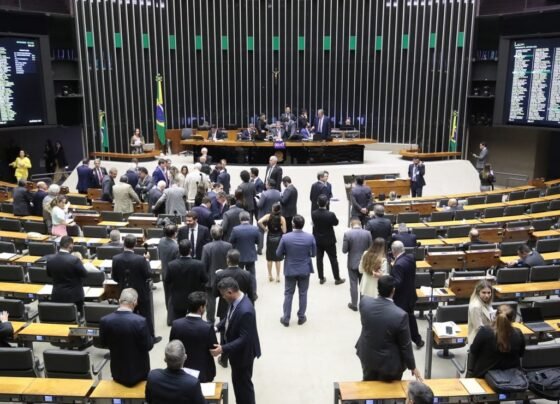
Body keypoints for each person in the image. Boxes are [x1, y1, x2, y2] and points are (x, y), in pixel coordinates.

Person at [356, 275, 422, 381]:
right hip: (389, 365)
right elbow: (405, 346)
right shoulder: (400, 315)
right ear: (393, 290)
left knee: (368, 384)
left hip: (367, 356)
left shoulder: (364, 302)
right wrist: (412, 367)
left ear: (378, 288)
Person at [210, 277, 261, 404]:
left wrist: (222, 349)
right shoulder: (235, 302)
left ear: (230, 292)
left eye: (223, 295)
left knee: (244, 386)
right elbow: (228, 319)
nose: (222, 298)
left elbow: (244, 339)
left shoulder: (246, 310)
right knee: (238, 384)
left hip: (243, 355)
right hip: (236, 353)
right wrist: (216, 328)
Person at [100, 288, 154, 387]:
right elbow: (148, 346)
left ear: (119, 300)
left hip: (118, 372)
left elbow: (103, 343)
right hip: (140, 373)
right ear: (135, 302)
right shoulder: (140, 321)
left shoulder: (105, 321)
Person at [213, 249, 256, 368]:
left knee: (225, 334)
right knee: (235, 332)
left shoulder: (220, 274)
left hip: (225, 307)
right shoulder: (246, 274)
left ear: (227, 260)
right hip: (238, 307)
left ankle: (224, 357)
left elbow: (214, 294)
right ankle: (228, 355)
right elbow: (252, 295)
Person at [112, 234, 159, 342]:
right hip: (141, 292)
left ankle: (129, 339)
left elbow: (115, 278)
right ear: (135, 244)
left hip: (123, 292)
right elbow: (148, 274)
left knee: (126, 316)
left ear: (124, 244)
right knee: (146, 315)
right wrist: (147, 261)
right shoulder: (141, 259)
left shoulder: (116, 258)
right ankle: (150, 338)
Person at [169, 292, 218, 382]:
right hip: (204, 372)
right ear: (201, 308)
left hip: (182, 369)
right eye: (205, 306)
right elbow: (214, 351)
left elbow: (172, 345)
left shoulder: (176, 324)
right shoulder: (207, 327)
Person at [277, 215, 316, 326]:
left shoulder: (285, 237)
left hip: (290, 269)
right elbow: (314, 254)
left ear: (293, 224)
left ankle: (286, 318)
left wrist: (287, 253)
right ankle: (301, 317)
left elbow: (278, 253)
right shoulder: (310, 237)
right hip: (304, 269)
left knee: (288, 294)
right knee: (303, 293)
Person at [469, 304, 525, 378]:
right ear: (513, 319)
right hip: (513, 378)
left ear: (495, 316)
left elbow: (473, 350)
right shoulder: (518, 333)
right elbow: (521, 354)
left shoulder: (484, 331)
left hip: (484, 376)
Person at [145, 339, 206, 404]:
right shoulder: (193, 383)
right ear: (185, 357)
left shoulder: (152, 376)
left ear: (165, 359)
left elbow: (148, 399)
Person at [391, 241, 424, 348]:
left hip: (401, 298)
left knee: (399, 319)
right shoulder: (410, 258)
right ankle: (418, 340)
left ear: (393, 251)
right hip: (411, 294)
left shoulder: (398, 265)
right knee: (410, 317)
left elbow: (398, 283)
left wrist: (387, 278)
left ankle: (400, 342)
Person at [166, 240, 208, 321]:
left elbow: (167, 281)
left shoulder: (171, 265)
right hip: (195, 300)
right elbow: (205, 280)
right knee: (195, 323)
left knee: (179, 322)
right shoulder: (199, 264)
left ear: (179, 250)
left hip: (178, 300)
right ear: (190, 250)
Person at [46, 236, 88, 313]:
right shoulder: (74, 260)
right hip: (74, 297)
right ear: (70, 245)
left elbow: (49, 274)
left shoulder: (50, 259)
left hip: (57, 294)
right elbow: (84, 274)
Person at [312, 194, 345, 285]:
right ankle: (337, 278)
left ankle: (321, 278)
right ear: (327, 203)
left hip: (318, 239)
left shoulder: (314, 213)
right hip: (329, 240)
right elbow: (336, 223)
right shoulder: (330, 214)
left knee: (319, 259)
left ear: (317, 202)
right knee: (333, 259)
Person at [201, 225, 232, 323]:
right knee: (225, 300)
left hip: (211, 279)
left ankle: (210, 320)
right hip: (225, 277)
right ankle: (223, 319)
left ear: (211, 235)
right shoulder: (228, 246)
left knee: (210, 302)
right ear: (222, 234)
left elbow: (203, 264)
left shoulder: (206, 247)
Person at [342, 218, 373, 311]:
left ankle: (354, 304)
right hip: (365, 262)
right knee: (363, 284)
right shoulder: (368, 233)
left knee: (353, 283)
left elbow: (344, 250)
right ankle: (363, 304)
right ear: (360, 225)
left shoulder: (348, 234)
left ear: (352, 225)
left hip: (352, 262)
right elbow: (371, 248)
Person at [230, 211, 260, 293]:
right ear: (249, 218)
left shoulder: (235, 229)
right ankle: (253, 292)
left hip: (239, 256)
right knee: (252, 275)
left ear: (240, 219)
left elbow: (231, 241)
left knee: (238, 276)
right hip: (251, 255)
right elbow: (258, 241)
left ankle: (239, 291)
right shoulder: (255, 229)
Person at [258, 202, 286, 282]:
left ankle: (270, 275)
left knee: (269, 258)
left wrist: (265, 228)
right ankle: (277, 276)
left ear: (272, 209)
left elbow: (259, 221)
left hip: (270, 237)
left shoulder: (268, 216)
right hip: (278, 238)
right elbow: (284, 230)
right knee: (277, 258)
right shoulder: (282, 218)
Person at [157, 224, 179, 319]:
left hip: (164, 272)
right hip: (173, 274)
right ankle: (171, 317)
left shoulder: (161, 241)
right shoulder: (176, 247)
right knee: (172, 296)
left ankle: (168, 313)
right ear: (175, 234)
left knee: (167, 295)